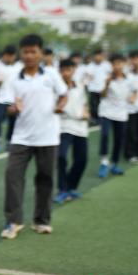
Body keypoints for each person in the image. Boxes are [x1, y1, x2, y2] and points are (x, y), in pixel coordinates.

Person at [1, 34, 67, 239]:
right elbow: (6, 106)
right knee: (12, 176)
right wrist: (14, 108)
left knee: (45, 178)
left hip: (48, 136)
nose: (29, 55)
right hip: (21, 137)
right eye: (26, 52)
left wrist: (59, 106)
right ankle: (14, 221)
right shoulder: (13, 77)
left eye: (33, 51)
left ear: (40, 53)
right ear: (21, 53)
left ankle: (41, 220)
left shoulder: (51, 75)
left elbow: (64, 94)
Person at [55, 59, 89, 204]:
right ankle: (62, 189)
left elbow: (84, 102)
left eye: (69, 70)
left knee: (82, 159)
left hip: (81, 126)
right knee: (61, 156)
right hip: (64, 126)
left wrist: (87, 112)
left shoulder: (80, 85)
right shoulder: (56, 87)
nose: (66, 73)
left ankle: (71, 187)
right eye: (63, 70)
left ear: (74, 70)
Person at [97, 54, 136, 178]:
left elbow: (135, 91)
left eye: (119, 63)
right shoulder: (106, 77)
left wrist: (133, 98)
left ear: (124, 64)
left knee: (119, 140)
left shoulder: (129, 79)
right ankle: (104, 162)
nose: (117, 66)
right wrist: (107, 84)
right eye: (114, 64)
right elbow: (102, 95)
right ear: (111, 65)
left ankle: (114, 164)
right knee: (105, 135)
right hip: (106, 112)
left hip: (121, 113)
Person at [0, 45, 20, 155]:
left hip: (14, 99)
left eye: (11, 56)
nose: (8, 58)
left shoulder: (19, 66)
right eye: (7, 56)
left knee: (13, 122)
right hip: (2, 98)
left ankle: (9, 142)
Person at [84, 49, 112, 125]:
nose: (98, 57)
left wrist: (108, 84)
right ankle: (95, 119)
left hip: (103, 89)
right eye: (96, 56)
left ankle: (103, 118)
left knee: (103, 105)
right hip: (93, 88)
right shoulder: (90, 66)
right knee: (93, 105)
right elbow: (88, 76)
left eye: (99, 55)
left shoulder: (107, 65)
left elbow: (110, 75)